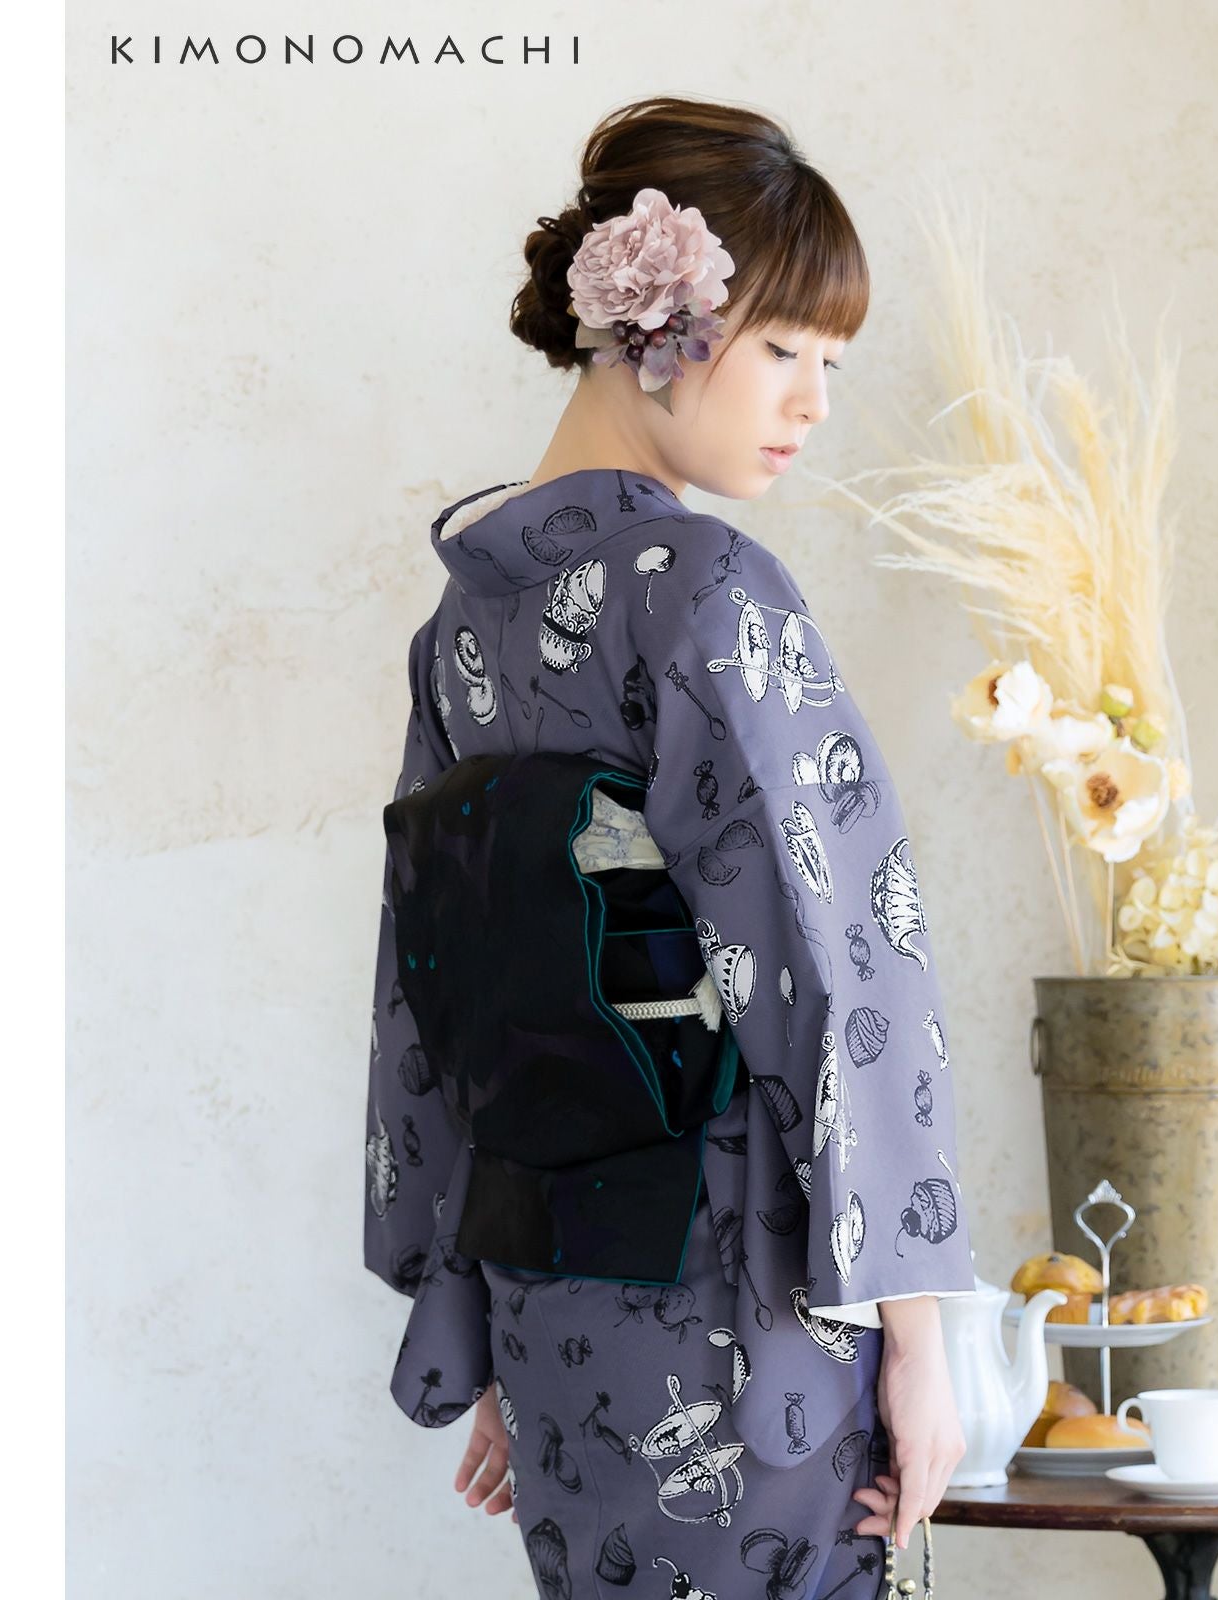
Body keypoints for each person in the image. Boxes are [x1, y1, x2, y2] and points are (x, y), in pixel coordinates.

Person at [363, 95, 980, 1599]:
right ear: (660, 326)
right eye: (785, 350)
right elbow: (835, 960)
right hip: (743, 1309)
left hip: (550, 1303)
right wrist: (918, 1340)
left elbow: (431, 1002)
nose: (814, 404)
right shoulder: (705, 588)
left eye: (831, 365)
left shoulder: (462, 623)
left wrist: (473, 1312)